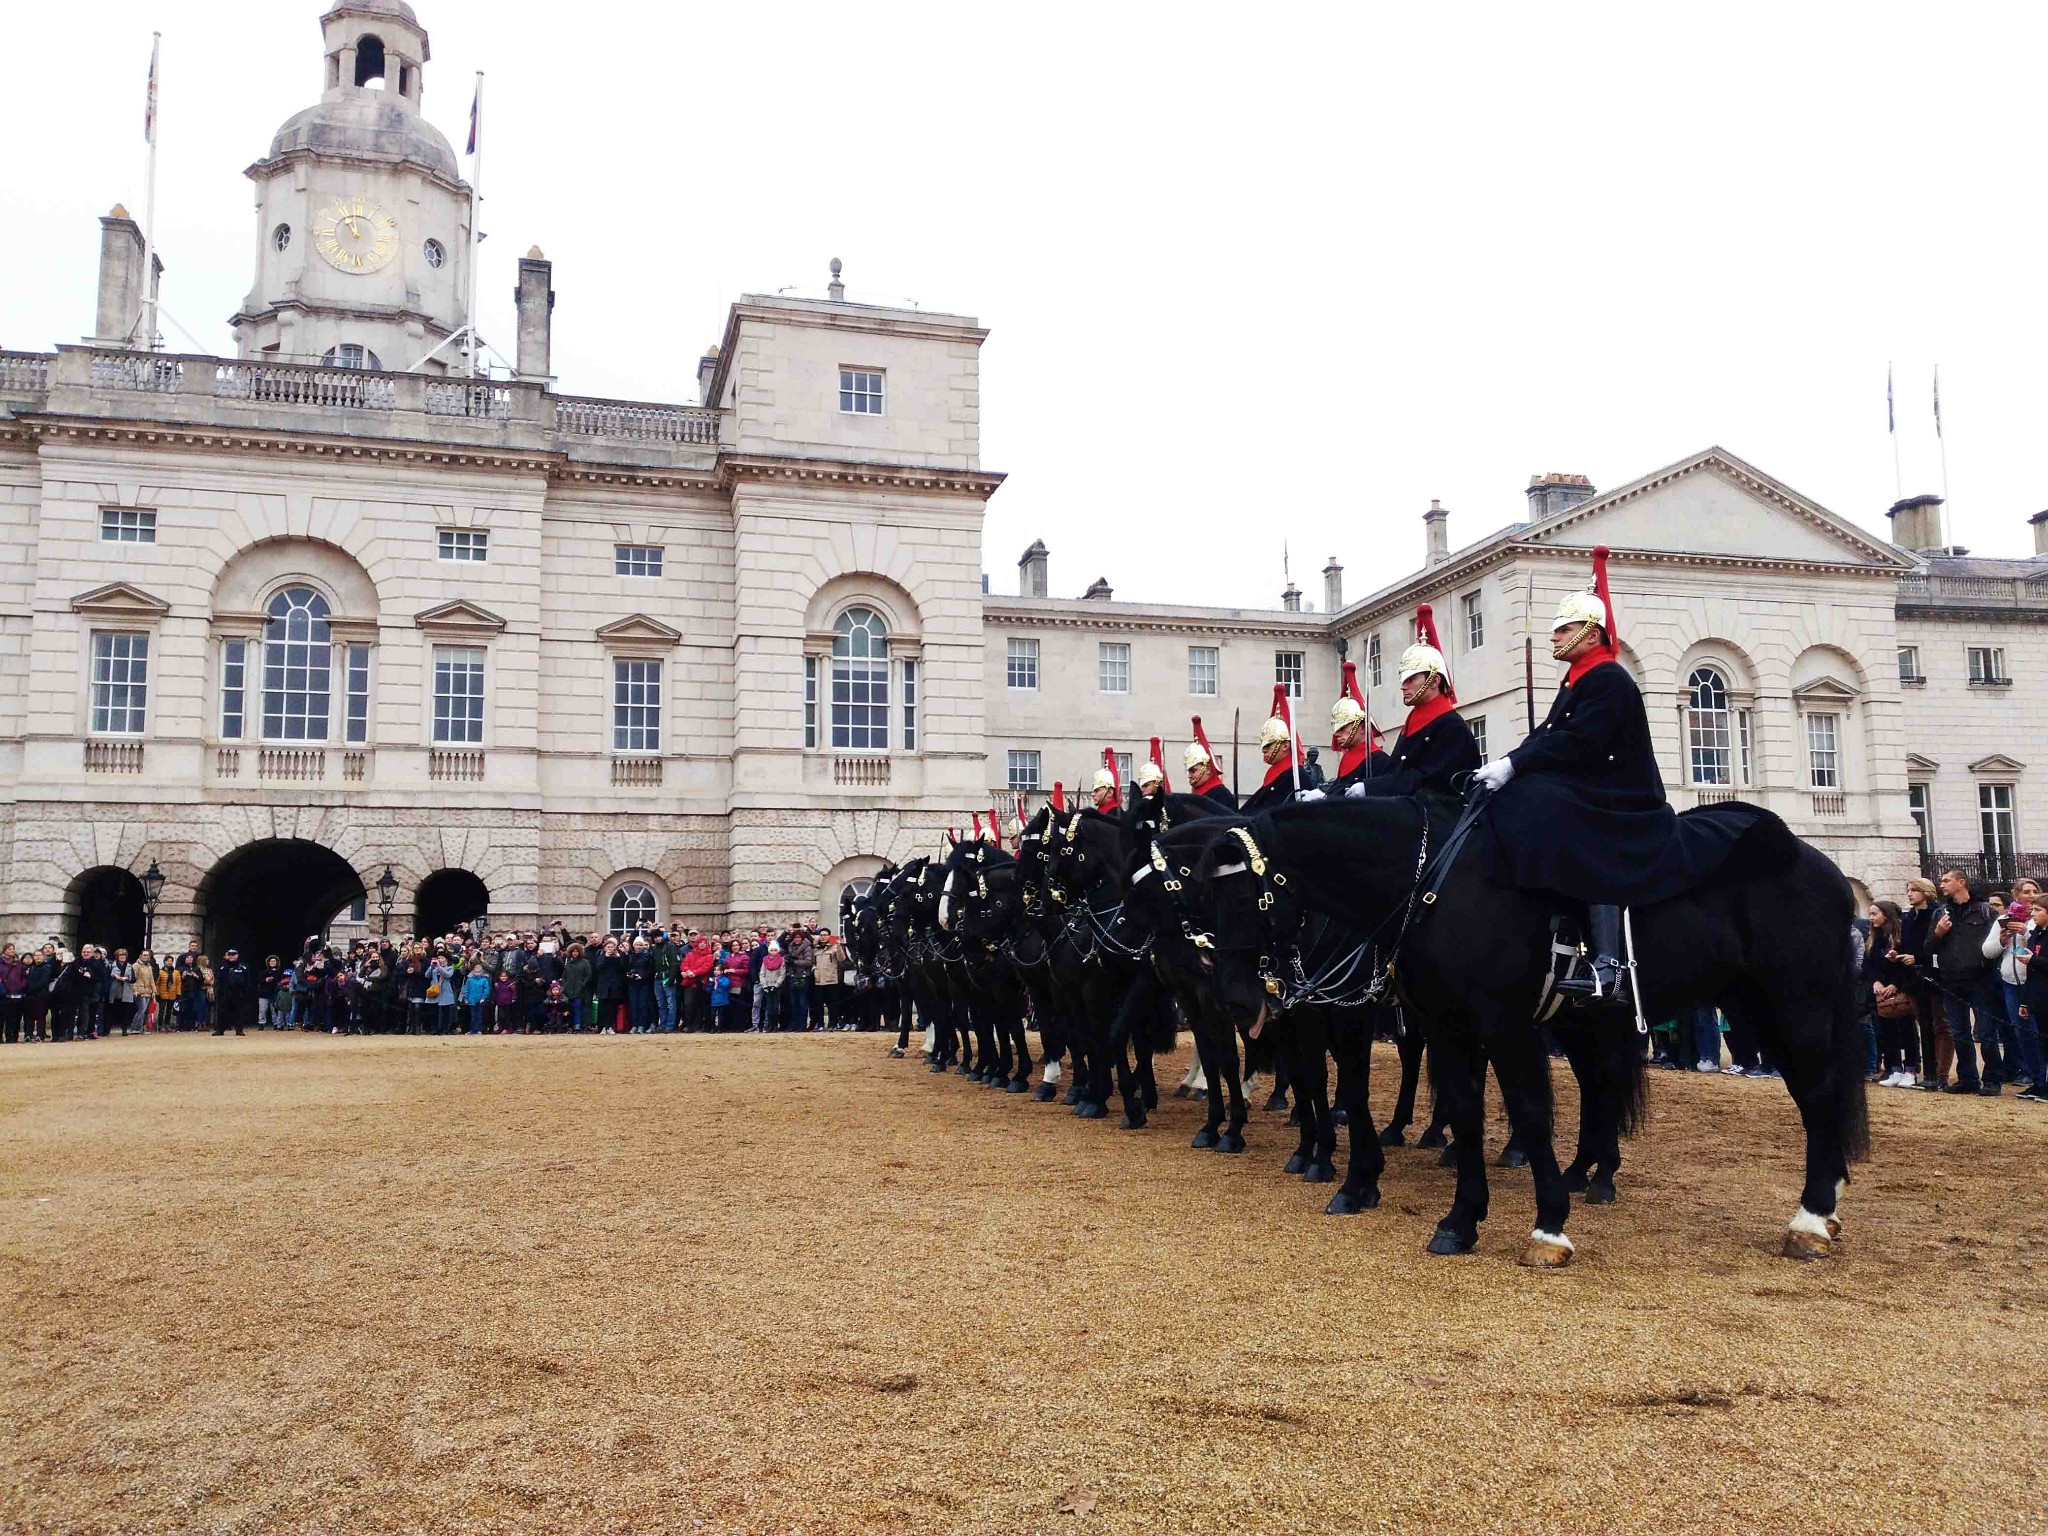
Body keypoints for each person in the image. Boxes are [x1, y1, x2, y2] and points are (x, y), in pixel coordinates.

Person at [1473, 546, 1777, 1011]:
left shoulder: (1610, 680)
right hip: (1590, 788)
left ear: (1592, 633)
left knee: (1588, 844)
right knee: (1527, 798)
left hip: (1620, 796)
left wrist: (1517, 765)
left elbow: (1580, 741)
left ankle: (1608, 966)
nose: (1556, 635)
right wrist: (1511, 763)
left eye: (1566, 628)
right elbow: (1549, 736)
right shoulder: (1577, 681)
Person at [1327, 607, 1477, 803]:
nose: (1403, 686)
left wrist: (1372, 787)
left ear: (1434, 681)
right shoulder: (1413, 725)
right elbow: (1396, 774)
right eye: (1403, 680)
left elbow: (1427, 781)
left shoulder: (1451, 727)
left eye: (1412, 679)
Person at [1929, 867, 1999, 1095]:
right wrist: (1938, 933)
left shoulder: (1986, 911)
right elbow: (1928, 947)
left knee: (1987, 1033)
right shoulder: (1941, 913)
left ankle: (1992, 1080)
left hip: (1980, 979)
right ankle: (1967, 1078)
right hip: (1951, 980)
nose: (1942, 884)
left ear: (1961, 882)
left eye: (1947, 880)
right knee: (1959, 1032)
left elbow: (1997, 944)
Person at [1982, 877, 2041, 1093]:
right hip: (2010, 983)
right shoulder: (2004, 919)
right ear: (2016, 895)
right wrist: (2003, 939)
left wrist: (2025, 932)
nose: (2031, 895)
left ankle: (2041, 1077)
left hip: (2035, 984)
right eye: (2026, 891)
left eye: (2034, 891)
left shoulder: (2039, 919)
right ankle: (2032, 1075)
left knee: (2039, 1031)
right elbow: (1987, 951)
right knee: (2021, 1032)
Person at [1866, 901, 1922, 1087]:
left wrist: (1894, 984)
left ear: (1886, 914)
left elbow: (1906, 963)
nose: (1871, 918)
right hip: (1880, 989)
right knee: (1886, 1029)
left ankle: (1911, 1068)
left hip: (1901, 987)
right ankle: (1894, 1067)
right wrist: (1876, 982)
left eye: (1875, 914)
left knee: (1907, 1029)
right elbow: (1869, 963)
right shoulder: (1875, 937)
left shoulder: (1901, 935)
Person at [1239, 686, 1302, 815]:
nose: (1264, 750)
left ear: (1285, 746)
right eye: (1263, 746)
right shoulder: (1273, 774)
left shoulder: (1296, 774)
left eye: (1268, 746)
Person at [1183, 716, 1235, 808]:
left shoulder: (1221, 795)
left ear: (1208, 769)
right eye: (1189, 771)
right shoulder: (1196, 794)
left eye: (1193, 770)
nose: (1190, 775)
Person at [212, 948, 253, 1036]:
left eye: (233, 955)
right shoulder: (223, 967)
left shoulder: (243, 967)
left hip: (238, 992)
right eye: (230, 955)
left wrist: (245, 992)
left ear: (237, 956)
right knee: (222, 1012)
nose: (231, 957)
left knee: (239, 1012)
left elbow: (247, 980)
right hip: (225, 992)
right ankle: (220, 1030)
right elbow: (219, 980)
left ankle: (239, 1030)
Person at [785, 924, 816, 1031]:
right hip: (792, 976)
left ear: (802, 938)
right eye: (795, 937)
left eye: (798, 937)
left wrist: (794, 962)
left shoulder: (807, 947)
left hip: (803, 976)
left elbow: (808, 962)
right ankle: (794, 1024)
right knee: (793, 1003)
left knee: (802, 1002)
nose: (796, 939)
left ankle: (802, 1025)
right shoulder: (790, 946)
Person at [0, 944, 25, 1044]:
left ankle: (11, 1037)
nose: (11, 951)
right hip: (3, 993)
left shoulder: (18, 964)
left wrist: (21, 985)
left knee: (13, 1018)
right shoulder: (1, 963)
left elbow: (23, 976)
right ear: (4, 950)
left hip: (16, 993)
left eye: (13, 949)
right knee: (1, 1017)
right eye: (9, 949)